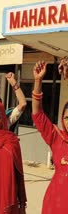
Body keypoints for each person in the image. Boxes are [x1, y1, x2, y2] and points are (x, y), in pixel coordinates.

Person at [31, 60, 68, 214]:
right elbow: (38, 115)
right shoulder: (56, 137)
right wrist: (38, 81)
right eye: (67, 117)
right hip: (55, 204)